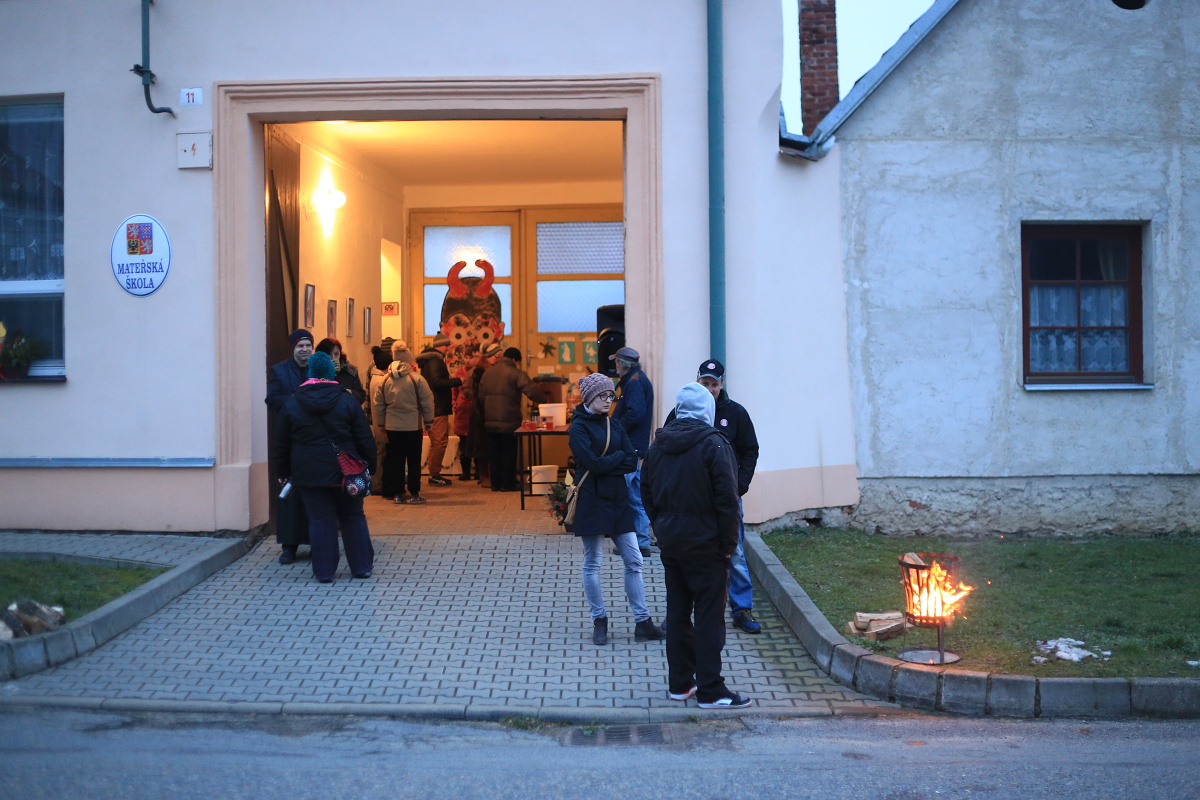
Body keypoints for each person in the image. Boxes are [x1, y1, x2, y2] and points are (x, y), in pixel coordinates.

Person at [641, 382, 749, 709]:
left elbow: (646, 492)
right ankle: (711, 690)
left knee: (677, 613)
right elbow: (728, 500)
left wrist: (661, 525)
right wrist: (728, 545)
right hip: (708, 547)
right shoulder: (715, 445)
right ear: (707, 410)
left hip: (672, 544)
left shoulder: (658, 446)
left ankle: (680, 684)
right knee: (708, 618)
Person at [666, 359, 762, 634]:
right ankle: (678, 613)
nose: (709, 389)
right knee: (683, 555)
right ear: (697, 381)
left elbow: (750, 450)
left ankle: (741, 608)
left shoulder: (736, 413)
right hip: (690, 500)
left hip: (726, 498)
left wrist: (739, 486)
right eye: (704, 383)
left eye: (714, 384)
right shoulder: (680, 412)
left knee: (735, 552)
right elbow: (666, 448)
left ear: (722, 384)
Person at [570, 372, 666, 646]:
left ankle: (643, 622)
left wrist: (612, 461)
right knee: (593, 562)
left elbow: (631, 461)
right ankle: (599, 620)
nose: (608, 400)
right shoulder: (578, 427)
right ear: (590, 397)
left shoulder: (614, 424)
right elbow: (592, 463)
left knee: (634, 560)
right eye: (603, 395)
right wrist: (618, 458)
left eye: (611, 396)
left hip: (617, 500)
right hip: (592, 499)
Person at [272, 351, 376, 583]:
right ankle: (361, 567)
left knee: (320, 519)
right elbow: (364, 437)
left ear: (310, 374)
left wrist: (284, 472)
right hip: (346, 471)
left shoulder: (292, 402)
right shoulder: (347, 400)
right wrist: (371, 466)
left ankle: (324, 571)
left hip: (308, 472)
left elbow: (281, 443)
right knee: (353, 516)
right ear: (331, 373)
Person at [265, 328, 314, 565]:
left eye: (308, 345)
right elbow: (272, 399)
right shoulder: (280, 371)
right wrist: (295, 401)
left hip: (314, 440)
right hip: (291, 439)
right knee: (290, 495)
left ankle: (316, 542)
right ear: (293, 348)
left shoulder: (318, 368)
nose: (304, 350)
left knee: (315, 495)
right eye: (300, 346)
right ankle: (289, 546)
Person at [476, 346, 546, 492]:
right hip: (509, 419)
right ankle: (507, 484)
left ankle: (495, 484)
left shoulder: (487, 373)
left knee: (494, 453)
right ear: (514, 360)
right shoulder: (516, 373)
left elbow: (481, 397)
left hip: (490, 420)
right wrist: (545, 400)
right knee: (509, 451)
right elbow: (531, 390)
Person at [372, 343, 434, 505]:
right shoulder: (416, 379)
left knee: (396, 461)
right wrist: (429, 421)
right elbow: (427, 402)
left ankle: (398, 493)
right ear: (408, 359)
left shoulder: (385, 379)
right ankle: (414, 493)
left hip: (392, 427)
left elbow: (379, 404)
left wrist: (381, 424)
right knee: (413, 460)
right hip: (413, 426)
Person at [610, 346, 654, 556]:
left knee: (627, 494)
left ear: (623, 363)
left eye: (616, 362)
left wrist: (615, 429)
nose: (615, 366)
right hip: (636, 446)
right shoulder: (636, 379)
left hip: (630, 445)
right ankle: (641, 541)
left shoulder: (634, 382)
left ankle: (634, 542)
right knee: (636, 495)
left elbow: (635, 414)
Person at [416, 333, 462, 487]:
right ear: (442, 345)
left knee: (437, 441)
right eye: (447, 345)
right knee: (440, 442)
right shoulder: (435, 361)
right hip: (437, 406)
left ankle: (434, 473)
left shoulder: (430, 360)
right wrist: (457, 381)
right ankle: (434, 475)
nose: (448, 348)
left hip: (434, 406)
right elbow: (436, 382)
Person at [466, 342, 501, 487]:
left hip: (488, 410)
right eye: (497, 356)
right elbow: (478, 393)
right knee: (482, 445)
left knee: (487, 445)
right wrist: (484, 411)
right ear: (490, 356)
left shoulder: (489, 369)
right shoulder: (480, 371)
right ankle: (484, 476)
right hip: (482, 412)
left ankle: (488, 476)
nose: (498, 359)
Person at [450, 344, 481, 481]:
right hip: (462, 411)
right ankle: (466, 472)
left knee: (478, 443)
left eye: (471, 357)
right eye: (466, 357)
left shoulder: (479, 372)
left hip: (475, 411)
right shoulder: (459, 372)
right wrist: (454, 402)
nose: (468, 360)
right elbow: (454, 390)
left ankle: (479, 472)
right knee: (463, 444)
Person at [315, 337, 366, 407]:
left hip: (345, 410)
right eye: (329, 354)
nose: (333, 358)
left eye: (336, 354)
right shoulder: (315, 372)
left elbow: (361, 396)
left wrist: (350, 392)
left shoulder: (350, 371)